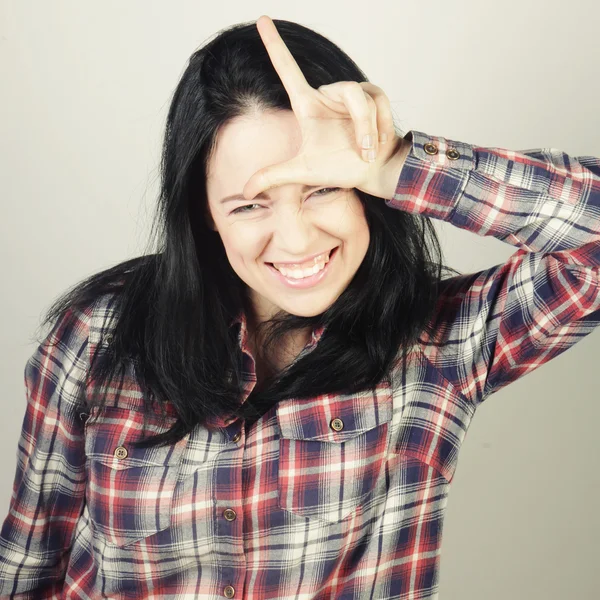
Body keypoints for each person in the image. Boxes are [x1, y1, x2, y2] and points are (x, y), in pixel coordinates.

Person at [0, 14, 598, 600]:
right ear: (204, 216)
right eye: (249, 205)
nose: (296, 240)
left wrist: (397, 162)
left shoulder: (441, 343)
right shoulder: (98, 333)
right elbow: (25, 566)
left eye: (323, 187)